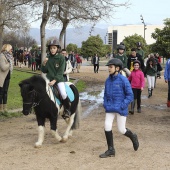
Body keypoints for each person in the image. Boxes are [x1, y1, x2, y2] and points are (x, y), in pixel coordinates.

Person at [99, 58, 139, 158]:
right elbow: (105, 94)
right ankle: (111, 150)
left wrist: (122, 105)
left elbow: (130, 95)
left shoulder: (123, 80)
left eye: (111, 67)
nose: (109, 68)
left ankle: (133, 136)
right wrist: (105, 104)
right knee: (107, 126)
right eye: (108, 66)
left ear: (117, 68)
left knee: (121, 130)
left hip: (120, 109)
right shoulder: (108, 80)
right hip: (110, 108)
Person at [41, 40, 71, 118]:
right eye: (51, 48)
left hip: (59, 80)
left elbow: (60, 72)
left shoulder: (61, 58)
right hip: (48, 79)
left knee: (63, 93)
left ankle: (67, 110)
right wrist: (44, 64)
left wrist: (54, 81)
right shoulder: (48, 57)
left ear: (57, 49)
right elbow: (44, 70)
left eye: (54, 48)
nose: (52, 50)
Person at [0, 44, 13, 112]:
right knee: (1, 92)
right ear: (7, 48)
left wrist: (10, 62)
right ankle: (0, 108)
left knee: (5, 92)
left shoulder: (9, 57)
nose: (12, 50)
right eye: (11, 49)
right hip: (2, 77)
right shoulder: (2, 56)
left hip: (8, 77)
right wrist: (9, 63)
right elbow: (3, 67)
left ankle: (5, 107)